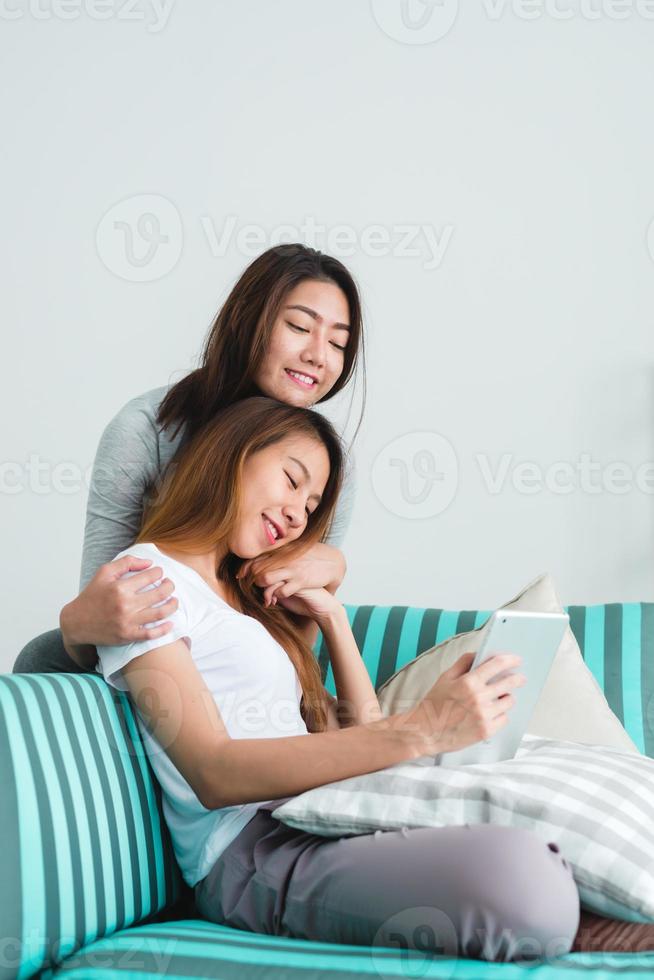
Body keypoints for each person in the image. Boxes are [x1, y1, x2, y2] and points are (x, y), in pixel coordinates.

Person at [94, 395, 582, 964]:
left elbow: (358, 734)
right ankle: (580, 915)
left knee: (532, 818)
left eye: (312, 502)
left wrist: (333, 619)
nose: (300, 513)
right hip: (251, 853)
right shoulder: (145, 582)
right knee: (525, 883)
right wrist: (423, 729)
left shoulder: (246, 602)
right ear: (229, 454)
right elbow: (213, 772)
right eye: (291, 480)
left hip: (325, 813)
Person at [13, 243, 362, 675]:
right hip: (153, 652)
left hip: (246, 667)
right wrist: (74, 623)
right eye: (298, 326)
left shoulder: (327, 468)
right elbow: (105, 610)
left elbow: (292, 645)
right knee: (44, 653)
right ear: (248, 319)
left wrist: (329, 566)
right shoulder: (145, 431)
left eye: (339, 343)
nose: (319, 355)